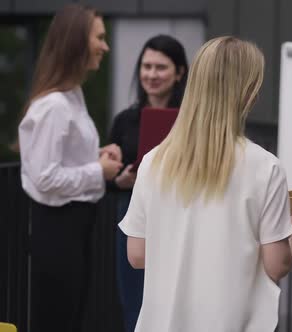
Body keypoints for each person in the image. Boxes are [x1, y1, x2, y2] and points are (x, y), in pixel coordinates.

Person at [118, 36, 292, 331]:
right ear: (248, 90)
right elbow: (276, 264)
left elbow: (137, 255)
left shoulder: (153, 161)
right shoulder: (265, 167)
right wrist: (290, 234)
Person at [17, 4, 122, 331]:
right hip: (59, 230)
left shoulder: (72, 96)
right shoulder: (55, 106)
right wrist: (99, 171)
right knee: (58, 319)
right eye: (100, 38)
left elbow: (60, 161)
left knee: (70, 316)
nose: (105, 46)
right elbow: (45, 178)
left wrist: (97, 156)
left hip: (74, 227)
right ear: (77, 41)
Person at [108, 34, 189, 332]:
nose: (152, 74)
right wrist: (122, 179)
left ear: (179, 72)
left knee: (174, 296)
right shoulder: (125, 120)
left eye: (161, 67)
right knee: (134, 298)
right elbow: (110, 178)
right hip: (133, 214)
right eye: (146, 66)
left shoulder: (191, 121)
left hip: (180, 214)